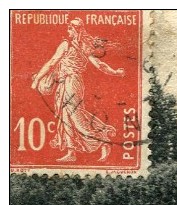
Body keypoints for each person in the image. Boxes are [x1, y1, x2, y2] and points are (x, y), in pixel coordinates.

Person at [30, 18, 125, 163]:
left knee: (76, 118)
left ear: (74, 30)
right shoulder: (83, 46)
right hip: (66, 83)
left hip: (71, 82)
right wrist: (115, 72)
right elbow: (100, 65)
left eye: (69, 29)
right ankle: (71, 152)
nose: (67, 31)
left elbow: (52, 62)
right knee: (66, 117)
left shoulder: (67, 45)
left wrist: (37, 80)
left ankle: (103, 140)